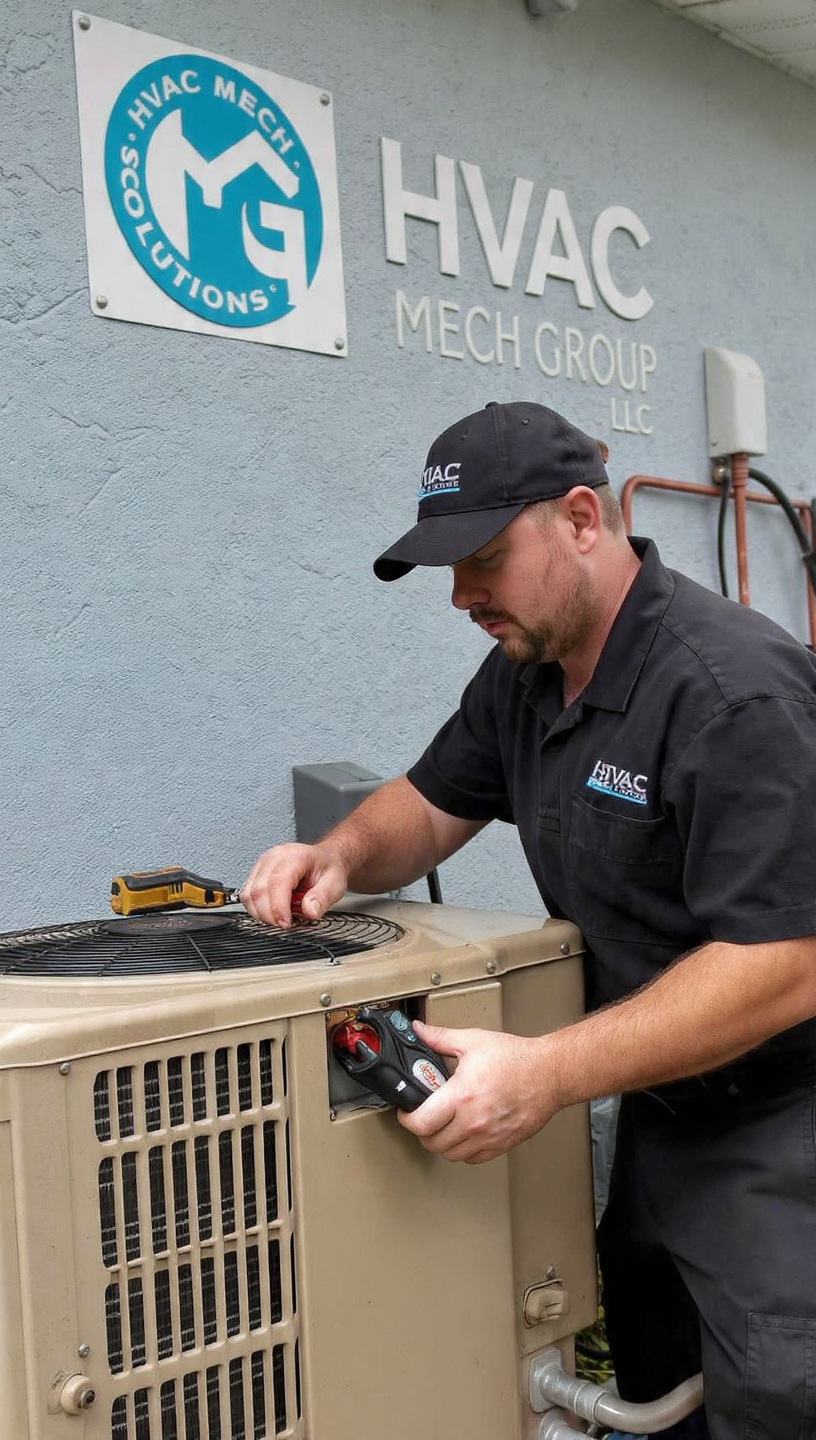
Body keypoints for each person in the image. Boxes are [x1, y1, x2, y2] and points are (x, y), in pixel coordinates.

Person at [242, 400, 816, 1440]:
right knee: (655, 1375)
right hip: (660, 1109)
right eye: (447, 570)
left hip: (784, 1123)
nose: (462, 595)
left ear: (584, 520)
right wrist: (337, 855)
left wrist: (544, 1074)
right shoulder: (527, 678)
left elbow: (785, 962)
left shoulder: (730, 693)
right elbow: (425, 806)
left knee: (780, 1395)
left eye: (485, 559)